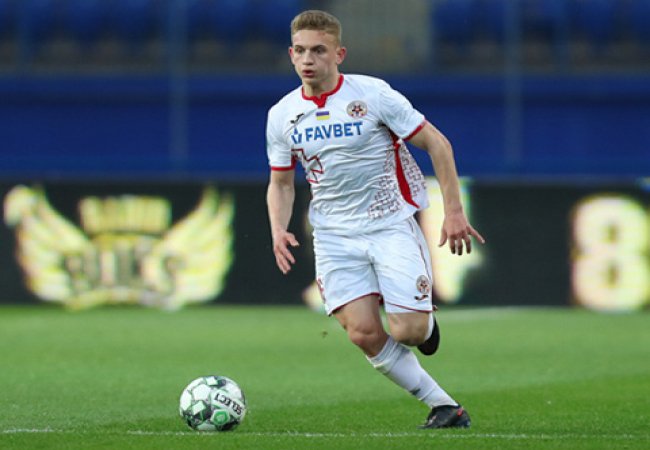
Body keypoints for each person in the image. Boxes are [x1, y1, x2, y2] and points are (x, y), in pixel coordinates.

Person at [265, 10, 485, 429]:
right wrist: (278, 228)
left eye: (319, 50)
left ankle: (424, 323)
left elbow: (437, 144)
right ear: (290, 55)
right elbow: (281, 183)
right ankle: (445, 407)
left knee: (409, 333)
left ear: (339, 54)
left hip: (389, 225)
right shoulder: (282, 115)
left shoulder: (374, 95)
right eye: (300, 51)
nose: (308, 59)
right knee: (363, 333)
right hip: (333, 236)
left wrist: (454, 212)